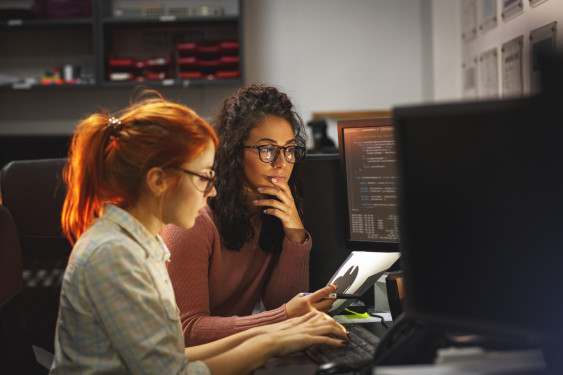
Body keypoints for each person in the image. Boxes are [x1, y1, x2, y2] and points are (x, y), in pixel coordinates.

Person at [50, 91, 347, 374]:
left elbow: (172, 354)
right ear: (158, 181)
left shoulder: (143, 245)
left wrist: (280, 331)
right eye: (204, 177)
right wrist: (272, 339)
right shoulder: (113, 256)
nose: (213, 190)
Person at [161, 84, 335, 346]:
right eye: (267, 149)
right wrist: (284, 316)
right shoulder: (193, 220)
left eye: (288, 149)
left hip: (232, 356)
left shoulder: (273, 211)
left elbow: (281, 304)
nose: (282, 162)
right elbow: (187, 331)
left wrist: (295, 235)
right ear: (234, 152)